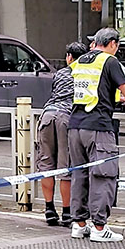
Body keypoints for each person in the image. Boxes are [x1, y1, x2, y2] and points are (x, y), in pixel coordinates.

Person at [68, 28, 125, 242]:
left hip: (75, 126)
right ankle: (99, 228)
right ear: (112, 43)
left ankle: (79, 225)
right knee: (103, 175)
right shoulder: (109, 61)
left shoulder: (80, 61)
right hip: (98, 126)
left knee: (79, 175)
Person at [37, 41, 88, 227]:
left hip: (47, 115)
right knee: (65, 167)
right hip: (67, 119)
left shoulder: (60, 73)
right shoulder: (84, 74)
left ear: (69, 57)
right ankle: (67, 213)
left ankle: (49, 209)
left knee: (46, 163)